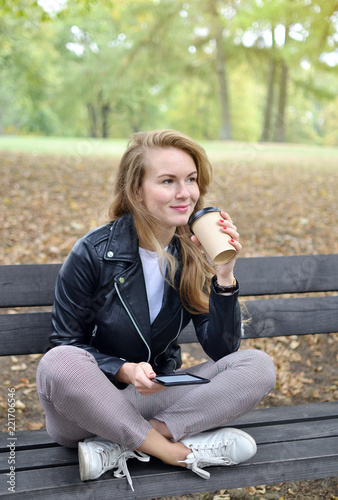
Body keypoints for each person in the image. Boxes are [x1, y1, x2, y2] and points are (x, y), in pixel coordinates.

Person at [36, 129, 276, 491]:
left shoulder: (192, 253)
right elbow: (66, 343)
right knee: (59, 362)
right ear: (136, 191)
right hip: (87, 407)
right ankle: (174, 452)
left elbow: (222, 350)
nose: (185, 193)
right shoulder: (94, 252)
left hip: (152, 397)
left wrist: (224, 276)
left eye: (191, 180)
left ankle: (124, 447)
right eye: (168, 181)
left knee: (257, 365)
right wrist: (123, 369)